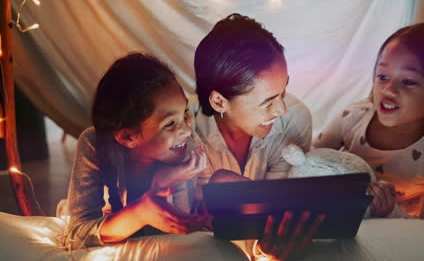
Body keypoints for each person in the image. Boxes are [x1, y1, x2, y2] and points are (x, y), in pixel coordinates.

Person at [193, 13, 323, 261]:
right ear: (219, 101)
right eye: (267, 102)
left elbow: (281, 213)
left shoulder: (294, 121)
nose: (281, 110)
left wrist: (268, 249)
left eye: (283, 91)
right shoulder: (184, 131)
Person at [314, 23, 424, 221]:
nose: (388, 90)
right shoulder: (352, 117)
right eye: (383, 77)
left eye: (409, 81)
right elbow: (313, 154)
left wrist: (390, 212)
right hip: (342, 205)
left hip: (399, 225)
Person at [63, 53, 211, 250]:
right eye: (169, 124)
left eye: (185, 112)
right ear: (128, 137)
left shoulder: (186, 147)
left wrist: (166, 180)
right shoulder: (94, 145)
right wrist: (139, 213)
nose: (186, 130)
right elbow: (77, 235)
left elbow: (183, 228)